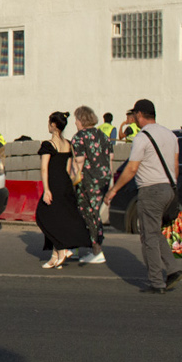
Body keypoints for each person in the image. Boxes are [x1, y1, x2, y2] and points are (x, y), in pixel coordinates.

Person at [104, 99, 182, 294]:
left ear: (139, 115)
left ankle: (157, 282)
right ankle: (172, 270)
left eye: (134, 116)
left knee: (148, 236)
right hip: (169, 189)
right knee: (156, 232)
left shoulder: (141, 137)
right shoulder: (170, 135)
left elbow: (131, 168)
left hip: (150, 190)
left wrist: (114, 190)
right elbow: (175, 167)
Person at [34, 111, 89, 269]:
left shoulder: (48, 145)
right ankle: (55, 255)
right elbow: (69, 167)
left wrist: (46, 189)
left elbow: (44, 169)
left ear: (53, 125)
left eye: (49, 123)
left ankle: (63, 247)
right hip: (65, 183)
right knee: (59, 218)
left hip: (54, 183)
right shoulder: (68, 144)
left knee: (43, 216)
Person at [70, 105, 115, 264]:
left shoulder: (79, 137)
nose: (75, 122)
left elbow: (79, 162)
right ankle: (92, 246)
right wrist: (110, 184)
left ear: (82, 120)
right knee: (94, 211)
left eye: (76, 119)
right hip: (103, 178)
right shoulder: (103, 135)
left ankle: (96, 249)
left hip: (89, 179)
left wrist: (72, 180)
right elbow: (110, 159)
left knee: (87, 212)